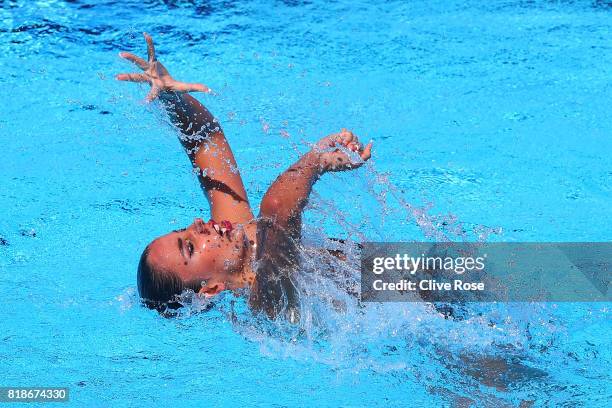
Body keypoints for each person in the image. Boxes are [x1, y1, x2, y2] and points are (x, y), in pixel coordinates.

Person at [116, 33, 372, 321]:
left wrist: (171, 97)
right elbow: (278, 209)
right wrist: (318, 159)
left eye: (183, 230)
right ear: (210, 289)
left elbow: (205, 140)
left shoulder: (240, 237)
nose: (198, 224)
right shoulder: (266, 303)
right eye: (189, 245)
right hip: (419, 323)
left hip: (408, 274)